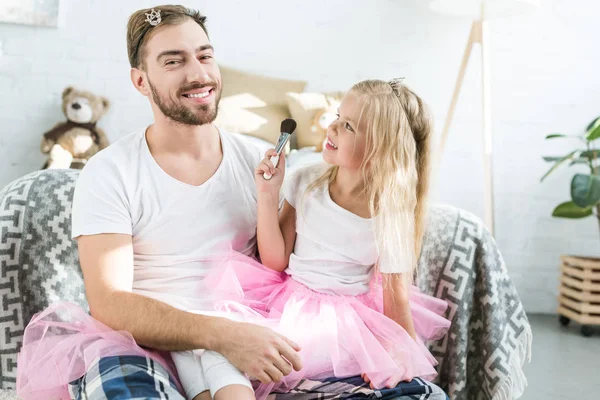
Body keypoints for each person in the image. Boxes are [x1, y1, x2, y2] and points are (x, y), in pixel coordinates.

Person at [16, 5, 302, 400]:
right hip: (142, 346)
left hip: (246, 339)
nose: (199, 74)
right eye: (174, 61)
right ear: (141, 81)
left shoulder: (260, 163)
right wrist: (222, 335)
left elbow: (288, 263)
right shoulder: (109, 172)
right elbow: (110, 304)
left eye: (205, 56)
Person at [202, 78, 452, 400]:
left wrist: (401, 352)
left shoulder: (390, 213)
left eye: (348, 126)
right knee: (223, 342)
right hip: (287, 300)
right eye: (337, 116)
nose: (332, 129)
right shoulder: (305, 180)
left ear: (379, 149)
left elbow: (396, 302)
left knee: (283, 361)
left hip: (345, 321)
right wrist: (268, 194)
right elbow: (275, 260)